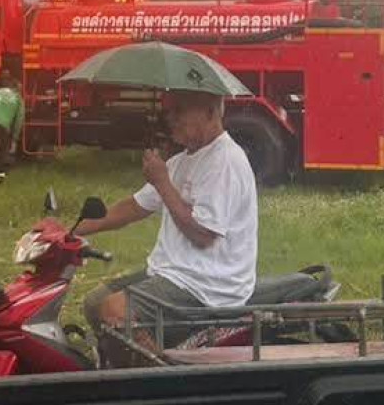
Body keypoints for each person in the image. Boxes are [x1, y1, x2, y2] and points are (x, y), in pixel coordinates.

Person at [78, 85, 258, 348]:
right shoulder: (180, 162)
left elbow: (203, 235)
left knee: (114, 311)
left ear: (210, 112)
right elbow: (135, 206)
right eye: (169, 111)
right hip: (174, 273)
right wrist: (72, 230)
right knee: (94, 303)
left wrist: (163, 182)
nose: (171, 118)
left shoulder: (226, 161)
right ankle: (118, 363)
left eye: (180, 110)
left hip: (208, 286)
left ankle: (156, 371)